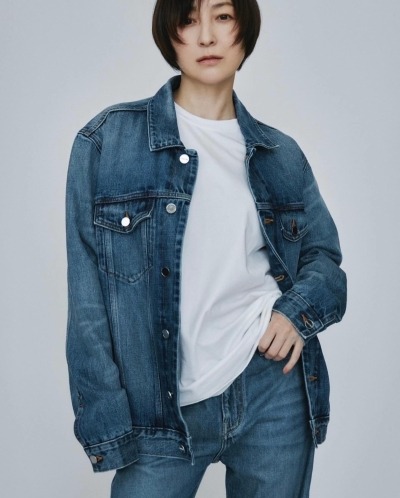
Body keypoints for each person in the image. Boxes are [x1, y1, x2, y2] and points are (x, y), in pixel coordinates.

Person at [65, 1, 347, 496]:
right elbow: (87, 300)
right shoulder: (108, 142)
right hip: (159, 408)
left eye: (223, 17)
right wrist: (108, 422)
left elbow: (323, 258)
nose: (207, 37)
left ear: (244, 30)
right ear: (169, 34)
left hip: (271, 388)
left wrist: (294, 315)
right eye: (189, 20)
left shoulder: (281, 155)